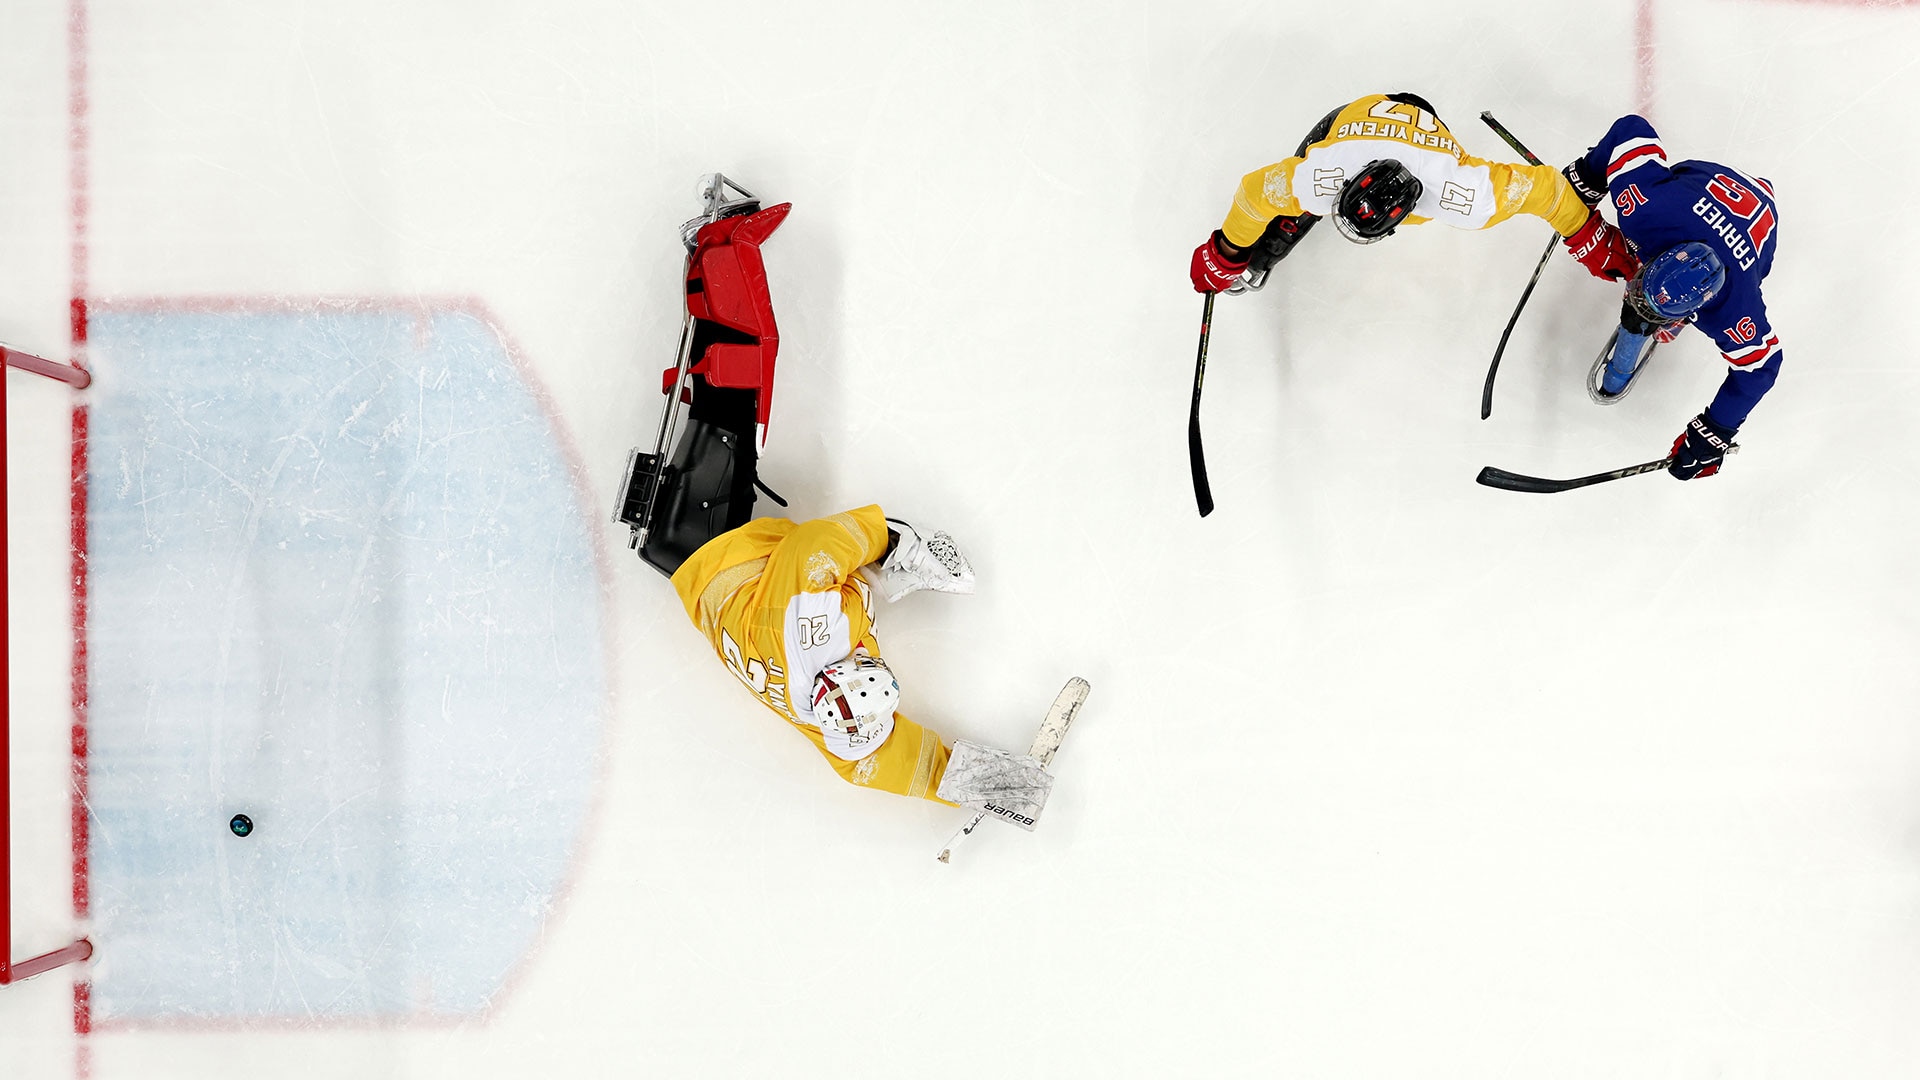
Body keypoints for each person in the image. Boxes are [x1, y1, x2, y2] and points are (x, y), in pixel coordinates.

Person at [667, 506, 1048, 820]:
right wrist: (993, 786)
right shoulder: (839, 728)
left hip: (729, 548)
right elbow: (896, 765)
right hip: (698, 587)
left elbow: (813, 544)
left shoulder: (813, 626)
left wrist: (893, 542)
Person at [1556, 114, 1782, 480]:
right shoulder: (1647, 208)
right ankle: (1654, 294)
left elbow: (1762, 367)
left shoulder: (1732, 306)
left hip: (1759, 224)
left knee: (1619, 262)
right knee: (1618, 262)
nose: (1636, 298)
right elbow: (1630, 129)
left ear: (1702, 307)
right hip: (1703, 187)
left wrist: (1716, 433)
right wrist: (1590, 177)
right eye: (1643, 280)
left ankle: (1663, 312)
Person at [1189, 92, 1595, 293]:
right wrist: (1590, 236)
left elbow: (1253, 193)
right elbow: (1549, 191)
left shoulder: (1458, 189)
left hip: (1412, 126)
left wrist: (1226, 251)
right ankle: (1268, 248)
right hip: (1348, 123)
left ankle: (1260, 252)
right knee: (1295, 204)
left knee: (1293, 201)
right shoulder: (1326, 174)